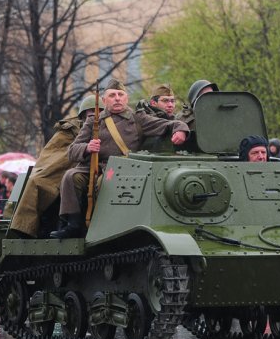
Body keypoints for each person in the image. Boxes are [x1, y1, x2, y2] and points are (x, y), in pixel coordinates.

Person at [51, 79, 188, 238]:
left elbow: (168, 124)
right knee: (70, 176)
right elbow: (72, 150)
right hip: (97, 167)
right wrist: (87, 147)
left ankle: (103, 226)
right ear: (104, 100)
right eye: (112, 95)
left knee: (106, 182)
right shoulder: (94, 121)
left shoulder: (138, 118)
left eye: (120, 95)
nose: (117, 98)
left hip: (124, 169)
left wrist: (180, 130)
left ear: (126, 99)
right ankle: (73, 224)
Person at [11, 95, 96, 238]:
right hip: (59, 172)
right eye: (90, 112)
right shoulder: (69, 130)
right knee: (36, 182)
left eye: (97, 111)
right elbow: (52, 154)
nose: (93, 115)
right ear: (83, 115)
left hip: (83, 173)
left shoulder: (109, 128)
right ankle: (26, 227)